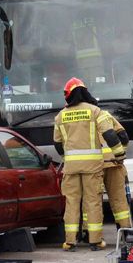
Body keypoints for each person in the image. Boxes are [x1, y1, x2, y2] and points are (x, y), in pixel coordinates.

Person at [53, 77, 126, 251]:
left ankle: (70, 241)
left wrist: (68, 156)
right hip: (92, 167)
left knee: (71, 202)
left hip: (71, 167)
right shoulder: (95, 111)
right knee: (92, 201)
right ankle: (95, 241)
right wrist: (119, 154)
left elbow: (57, 143)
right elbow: (109, 134)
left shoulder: (60, 116)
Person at [82, 110, 131, 237]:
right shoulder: (105, 115)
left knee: (92, 200)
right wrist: (120, 155)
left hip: (92, 164)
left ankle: (90, 234)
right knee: (119, 198)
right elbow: (124, 136)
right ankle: (125, 231)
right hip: (113, 162)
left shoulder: (79, 117)